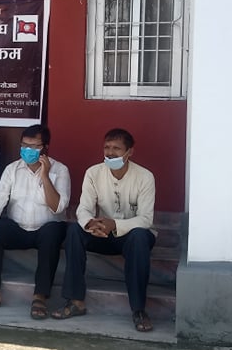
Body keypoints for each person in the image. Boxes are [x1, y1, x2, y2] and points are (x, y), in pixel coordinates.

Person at [50, 128, 157, 333]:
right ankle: (75, 301)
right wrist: (91, 224)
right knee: (74, 231)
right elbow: (83, 209)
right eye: (107, 147)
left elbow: (146, 219)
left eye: (117, 148)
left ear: (130, 152)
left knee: (139, 237)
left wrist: (114, 225)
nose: (110, 153)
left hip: (132, 236)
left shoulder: (145, 177)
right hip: (102, 232)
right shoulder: (94, 173)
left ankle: (139, 310)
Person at [0, 125, 69, 320]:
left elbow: (58, 207)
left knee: (52, 233)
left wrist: (45, 175)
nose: (28, 150)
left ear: (45, 148)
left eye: (34, 146)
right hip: (18, 227)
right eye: (24, 145)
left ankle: (40, 296)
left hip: (46, 228)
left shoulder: (60, 170)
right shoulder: (12, 169)